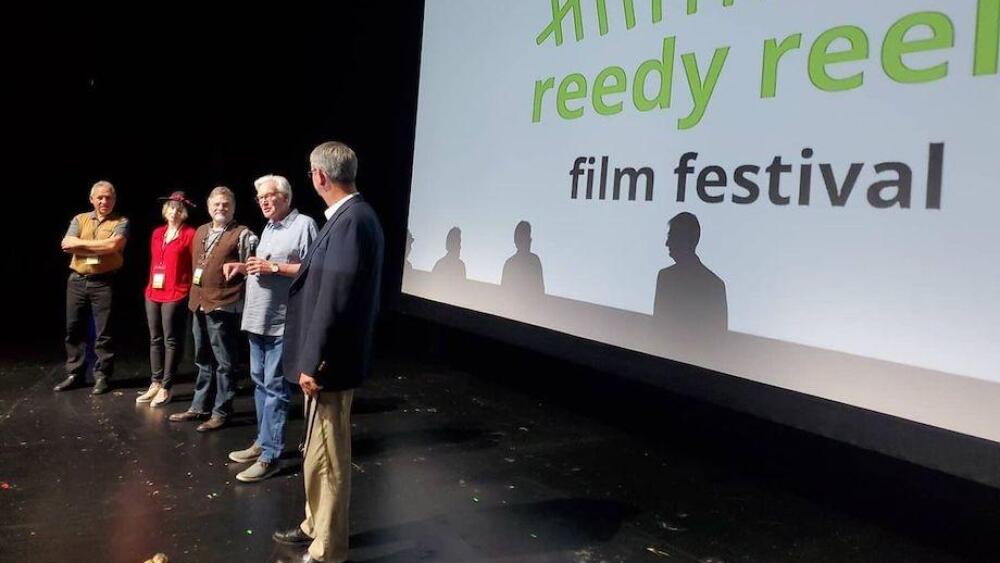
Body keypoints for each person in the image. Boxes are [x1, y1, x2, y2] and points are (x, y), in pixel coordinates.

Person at [272, 142, 384, 563]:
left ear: (320, 177)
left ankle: (328, 548)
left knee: (330, 455)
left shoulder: (353, 221)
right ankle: (313, 523)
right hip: (325, 360)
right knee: (317, 450)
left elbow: (336, 298)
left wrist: (313, 361)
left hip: (328, 364)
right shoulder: (348, 218)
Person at [228, 175, 317, 483]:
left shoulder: (303, 225)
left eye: (269, 196)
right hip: (257, 318)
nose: (263, 201)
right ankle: (262, 441)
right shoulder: (268, 227)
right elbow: (264, 265)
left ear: (285, 197)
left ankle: (271, 456)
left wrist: (273, 268)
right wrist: (243, 268)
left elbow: (312, 269)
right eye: (260, 198)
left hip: (282, 322)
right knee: (259, 384)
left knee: (275, 388)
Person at [168, 186, 257, 432]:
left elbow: (252, 269)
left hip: (223, 303)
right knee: (202, 358)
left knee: (224, 361)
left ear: (234, 208)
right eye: (216, 204)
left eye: (226, 205)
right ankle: (199, 407)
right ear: (209, 207)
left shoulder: (242, 234)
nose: (221, 208)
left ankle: (221, 411)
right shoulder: (201, 231)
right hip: (198, 301)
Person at [56, 180, 129, 395]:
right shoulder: (80, 219)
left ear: (114, 200)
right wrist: (99, 248)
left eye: (108, 197)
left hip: (103, 281)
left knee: (103, 332)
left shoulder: (121, 221)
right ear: (92, 199)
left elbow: (114, 245)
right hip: (77, 279)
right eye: (100, 197)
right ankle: (75, 373)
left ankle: (102, 375)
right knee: (73, 328)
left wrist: (82, 245)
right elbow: (66, 244)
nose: (104, 201)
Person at [137, 191, 197, 408]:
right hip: (153, 291)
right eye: (171, 208)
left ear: (184, 213)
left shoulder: (190, 234)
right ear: (165, 210)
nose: (174, 212)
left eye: (179, 209)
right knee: (155, 338)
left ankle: (167, 386)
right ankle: (155, 381)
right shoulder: (157, 233)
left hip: (176, 292)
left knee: (171, 339)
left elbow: (194, 263)